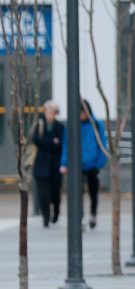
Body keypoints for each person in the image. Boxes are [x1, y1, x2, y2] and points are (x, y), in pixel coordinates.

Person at [60, 98, 109, 230]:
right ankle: (80, 218)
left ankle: (93, 214)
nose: (82, 116)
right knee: (77, 193)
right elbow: (66, 145)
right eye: (80, 113)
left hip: (93, 165)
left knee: (93, 193)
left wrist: (99, 163)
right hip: (77, 165)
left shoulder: (96, 125)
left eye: (84, 113)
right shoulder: (72, 125)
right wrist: (64, 163)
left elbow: (102, 144)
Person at [32, 100, 65, 227]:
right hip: (41, 165)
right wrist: (52, 142)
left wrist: (47, 142)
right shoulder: (39, 126)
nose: (50, 115)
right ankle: (45, 217)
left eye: (52, 113)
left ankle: (55, 213)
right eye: (48, 112)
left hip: (55, 166)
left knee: (55, 193)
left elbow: (61, 144)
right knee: (43, 194)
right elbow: (36, 140)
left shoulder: (60, 127)